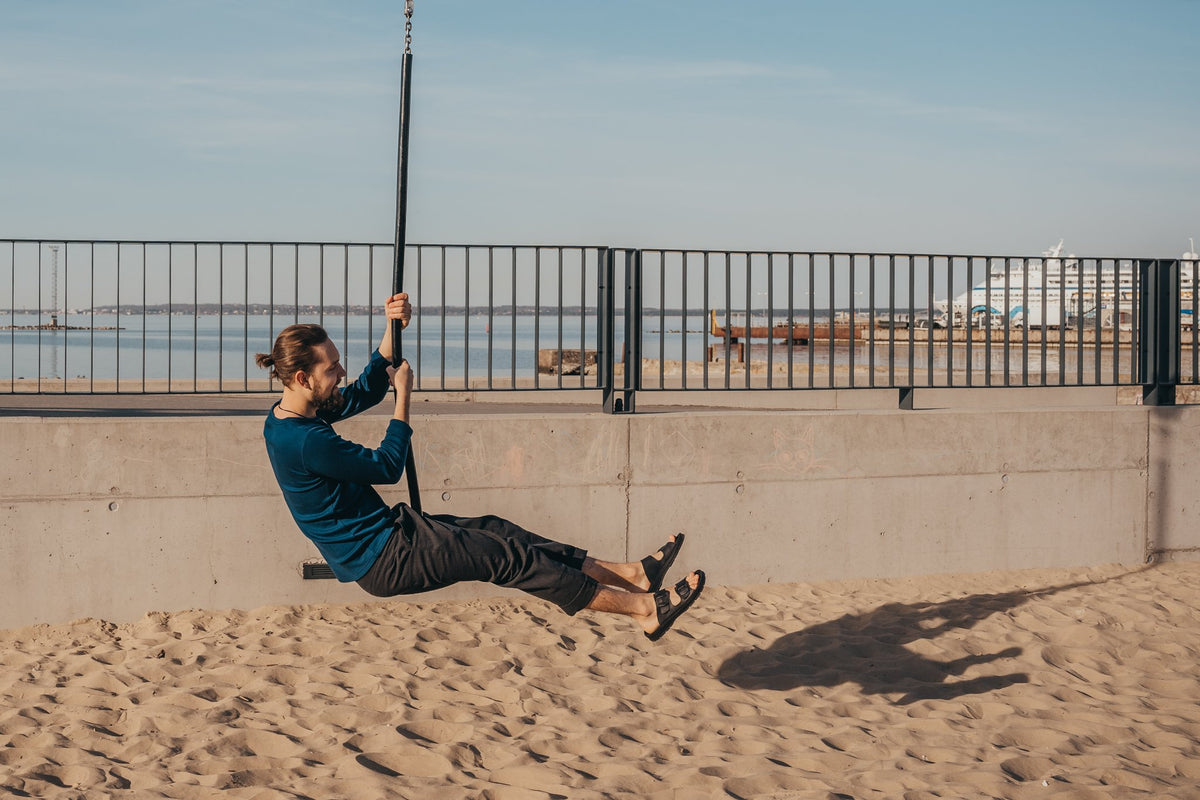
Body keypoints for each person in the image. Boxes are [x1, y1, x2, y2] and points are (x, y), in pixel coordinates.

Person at [255, 293, 704, 641]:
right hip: (383, 559)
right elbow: (388, 465)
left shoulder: (293, 415)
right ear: (302, 377)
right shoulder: (305, 441)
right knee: (507, 559)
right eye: (332, 368)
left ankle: (632, 575)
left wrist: (393, 325)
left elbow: (365, 390)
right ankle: (644, 610)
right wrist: (405, 397)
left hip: (394, 534)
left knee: (501, 531)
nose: (340, 373)